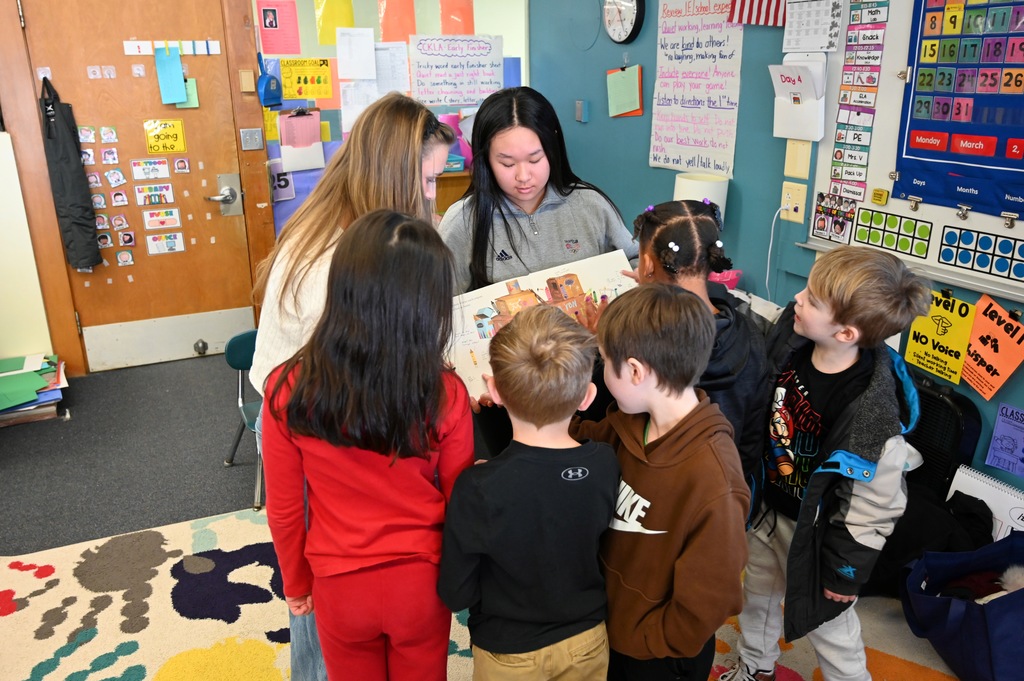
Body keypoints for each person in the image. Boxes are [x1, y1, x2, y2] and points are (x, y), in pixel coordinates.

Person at [250, 92, 455, 681]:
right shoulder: (340, 264)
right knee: (319, 619)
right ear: (393, 177)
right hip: (327, 438)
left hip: (315, 432)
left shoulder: (345, 231)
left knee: (333, 617)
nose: (432, 199)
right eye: (426, 182)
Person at [720, 246, 931, 681]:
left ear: (847, 333)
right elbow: (751, 325)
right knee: (757, 597)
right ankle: (755, 666)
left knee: (831, 628)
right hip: (768, 511)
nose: (798, 299)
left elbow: (874, 506)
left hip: (817, 537)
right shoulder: (793, 340)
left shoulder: (871, 415)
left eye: (813, 299)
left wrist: (844, 572)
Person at [570, 284, 750, 681]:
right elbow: (580, 439)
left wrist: (647, 641)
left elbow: (712, 598)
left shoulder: (714, 482)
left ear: (634, 371)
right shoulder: (629, 423)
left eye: (603, 361)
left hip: (656, 658)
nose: (601, 371)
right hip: (608, 628)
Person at [438, 305, 620, 679]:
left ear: (495, 390)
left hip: (508, 651)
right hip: (587, 640)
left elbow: (456, 593)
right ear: (587, 397)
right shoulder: (605, 464)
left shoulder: (476, 487)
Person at [581, 199, 771, 514]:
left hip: (645, 498)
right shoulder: (749, 333)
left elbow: (601, 420)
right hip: (731, 491)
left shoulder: (642, 345)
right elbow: (750, 438)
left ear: (646, 265)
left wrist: (604, 346)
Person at [438, 86, 638, 293]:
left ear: (552, 151)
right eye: (507, 164)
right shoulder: (463, 221)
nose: (523, 176)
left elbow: (635, 260)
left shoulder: (591, 205)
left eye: (535, 159)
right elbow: (440, 304)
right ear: (486, 160)